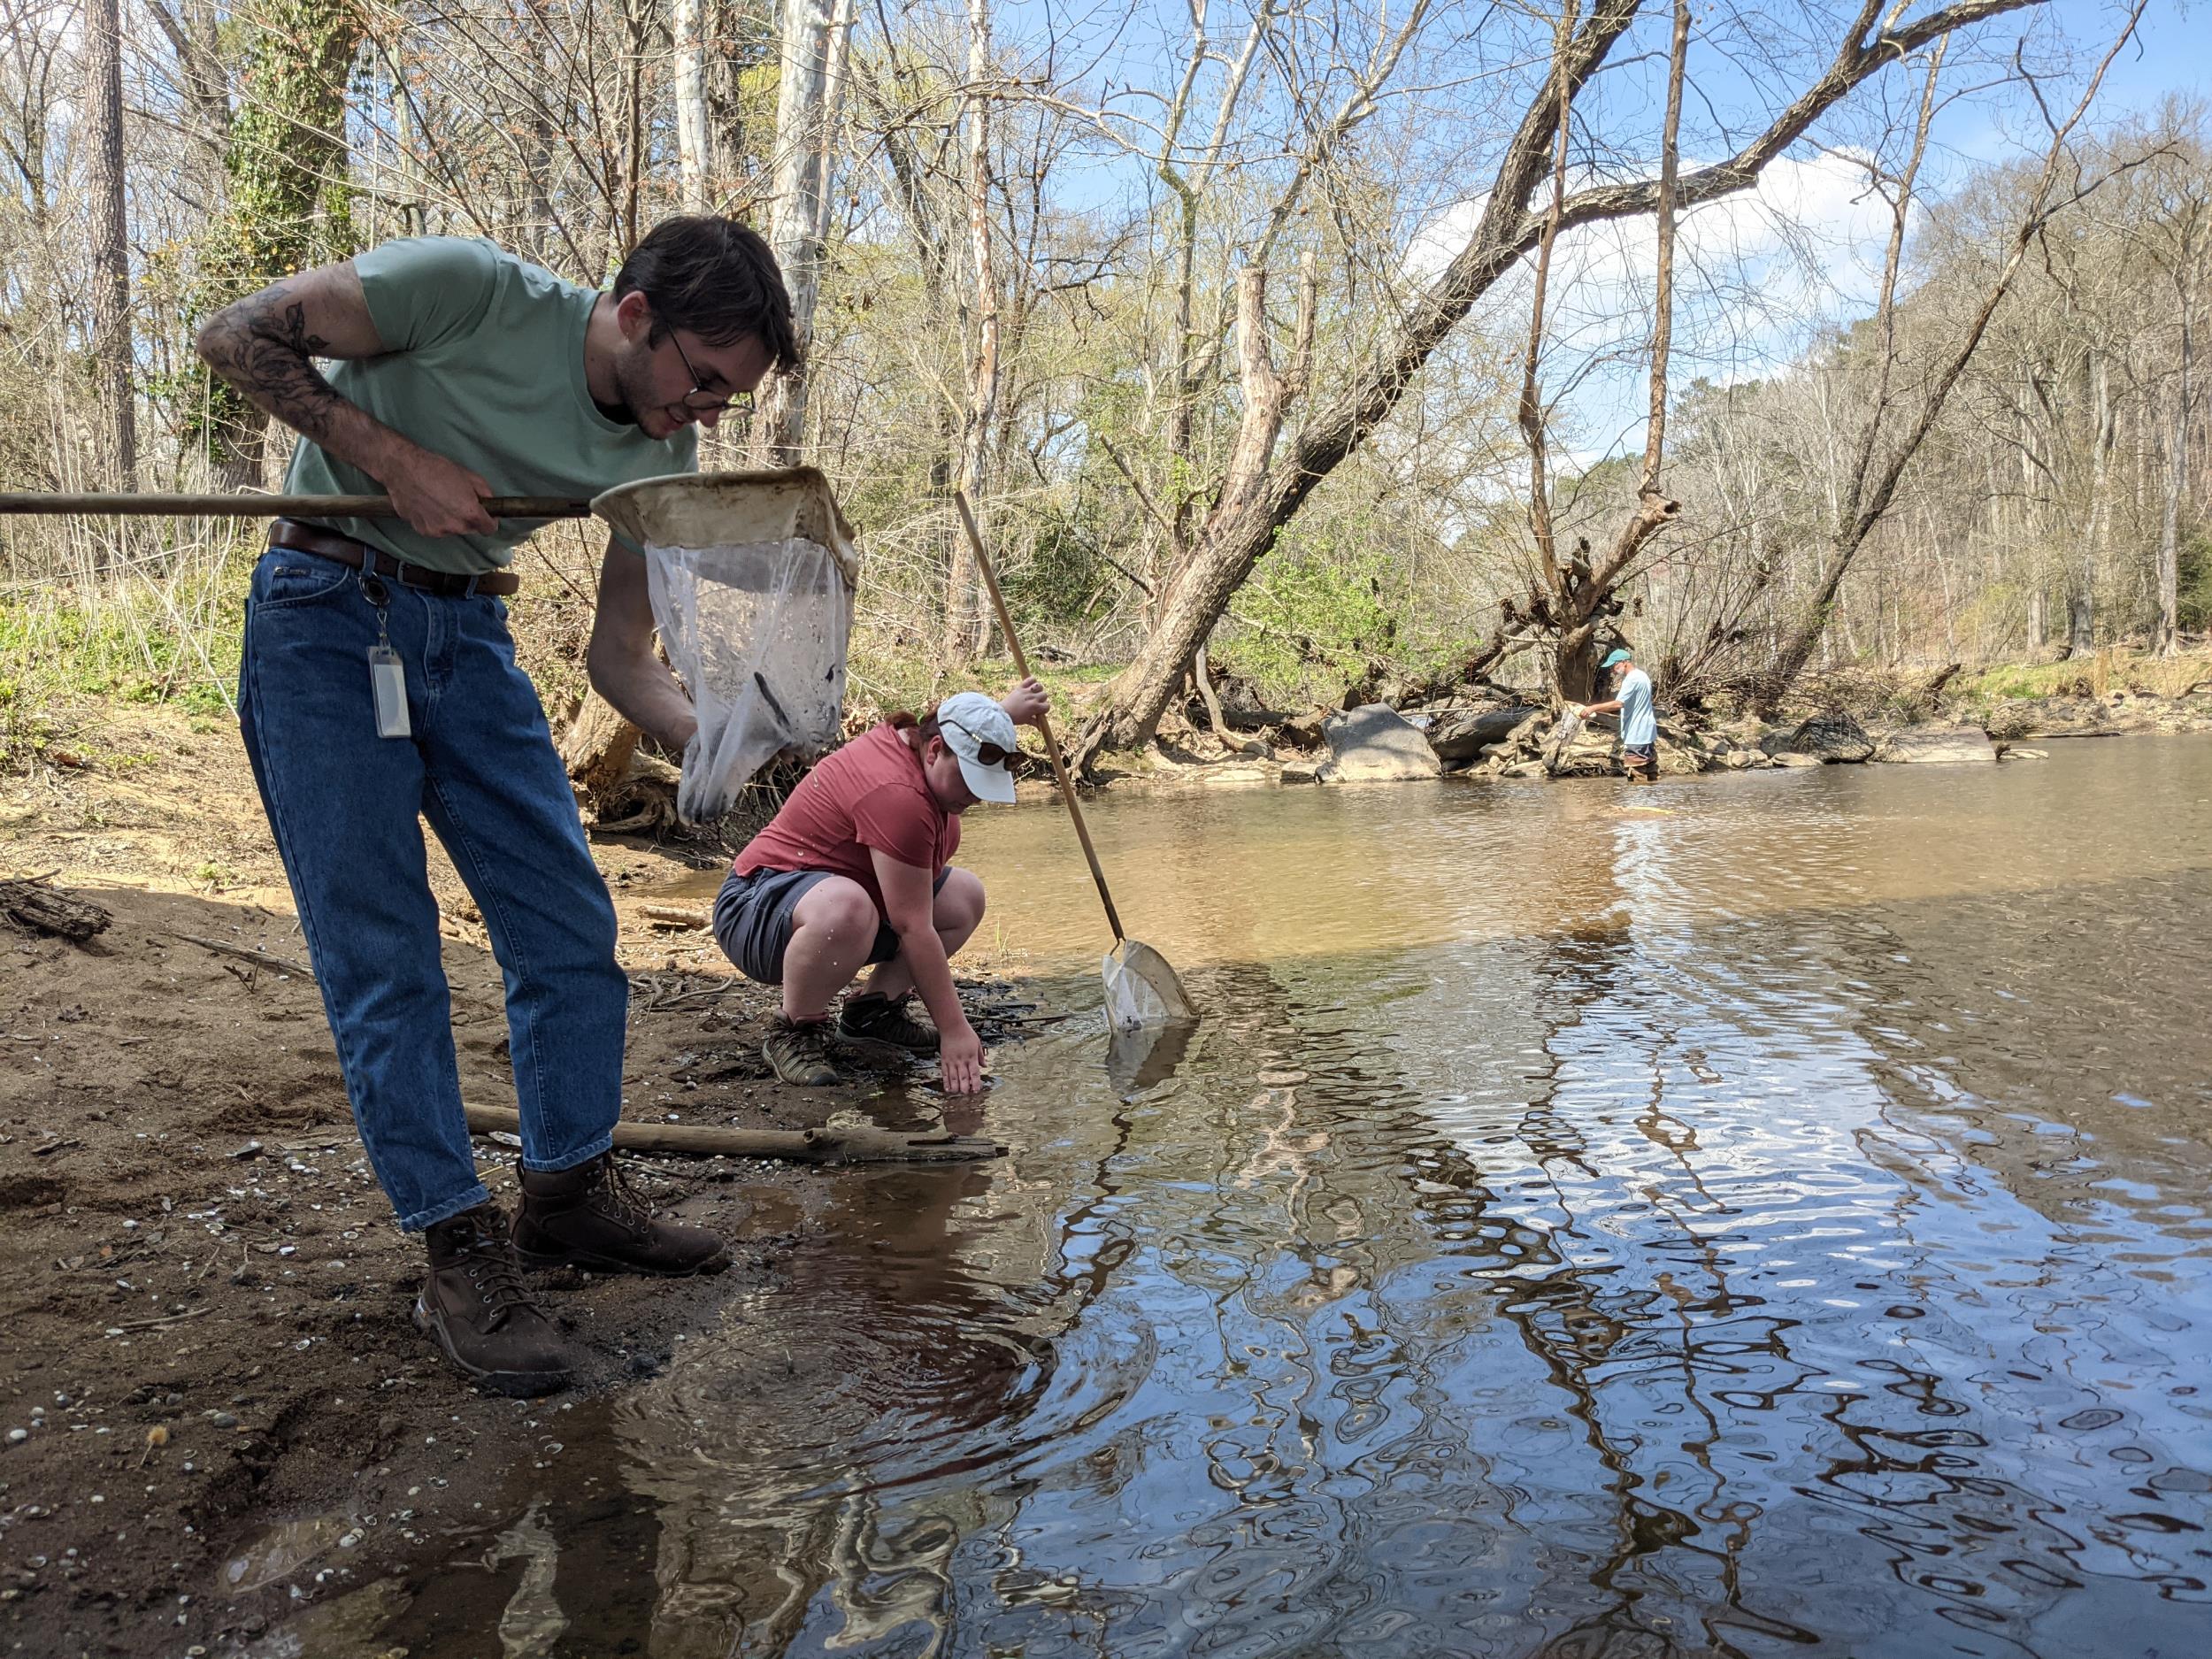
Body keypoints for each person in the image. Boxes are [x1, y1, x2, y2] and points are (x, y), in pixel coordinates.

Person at [195, 217, 799, 1396]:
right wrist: (387, 455)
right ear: (636, 315)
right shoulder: (466, 289)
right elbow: (233, 335)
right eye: (704, 378)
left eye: (732, 396)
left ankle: (566, 1192)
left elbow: (625, 664)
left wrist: (728, 748)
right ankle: (455, 1248)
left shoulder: (659, 465)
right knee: (386, 951)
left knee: (571, 930)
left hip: (470, 633)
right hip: (327, 607)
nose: (709, 412)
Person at [714, 683, 1050, 1093]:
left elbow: (957, 730)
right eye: (971, 781)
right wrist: (955, 1030)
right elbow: (913, 927)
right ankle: (793, 1029)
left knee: (964, 898)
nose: (976, 797)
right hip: (754, 910)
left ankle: (873, 1016)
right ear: (933, 751)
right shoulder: (900, 797)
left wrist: (1001, 714)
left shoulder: (919, 742)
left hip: (824, 899)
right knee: (849, 910)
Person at [1571, 647, 1659, 781]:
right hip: (1648, 731)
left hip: (1636, 733)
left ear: (1624, 662)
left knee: (1637, 772)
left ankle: (1638, 802)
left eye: (1613, 666)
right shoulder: (1643, 675)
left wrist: (1593, 708)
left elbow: (1619, 704)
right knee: (1651, 771)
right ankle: (1652, 798)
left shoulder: (1631, 679)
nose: (1612, 670)